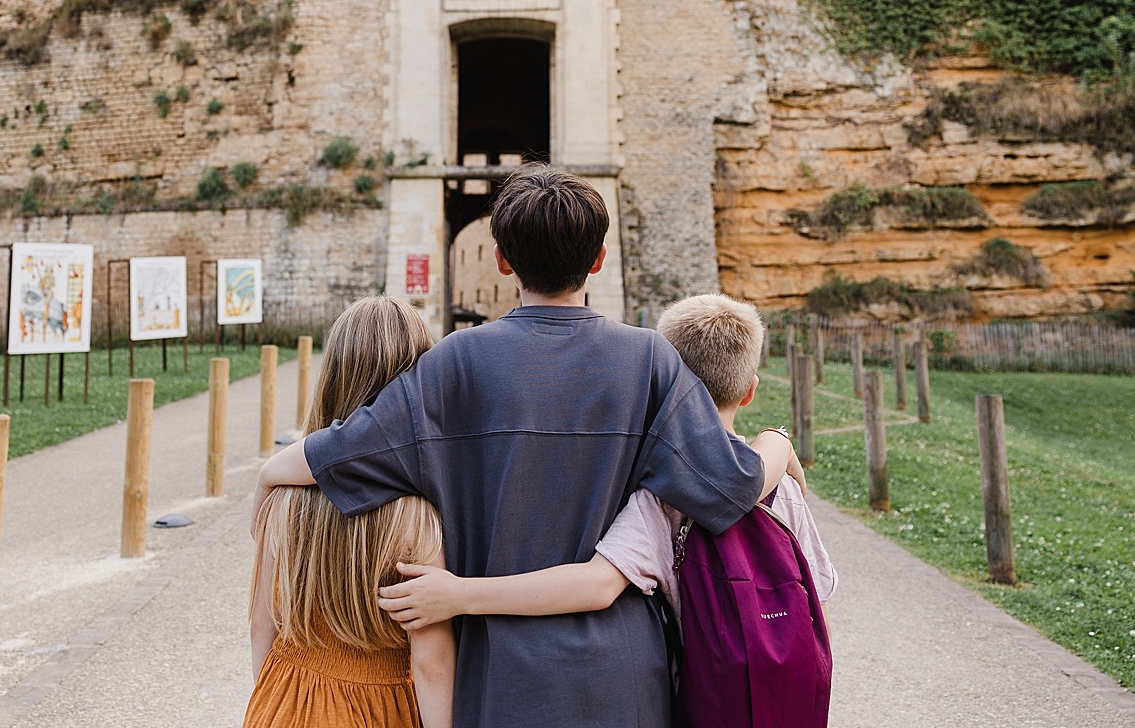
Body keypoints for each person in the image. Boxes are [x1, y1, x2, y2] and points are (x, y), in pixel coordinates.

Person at [256, 166, 766, 728]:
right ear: (598, 259)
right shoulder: (650, 362)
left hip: (499, 679)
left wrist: (267, 479)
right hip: (622, 679)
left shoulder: (454, 364)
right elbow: (732, 486)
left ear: (501, 259)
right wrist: (780, 447)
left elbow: (333, 456)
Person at [374, 294, 835, 628]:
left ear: (668, 385)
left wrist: (460, 594)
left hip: (697, 692)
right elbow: (817, 599)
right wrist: (778, 440)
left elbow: (597, 585)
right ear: (750, 390)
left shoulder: (660, 493)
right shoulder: (786, 487)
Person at [244, 296, 455, 728]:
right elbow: (430, 662)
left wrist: (270, 700)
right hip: (382, 709)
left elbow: (261, 626)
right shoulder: (415, 519)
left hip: (285, 699)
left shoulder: (285, 498)